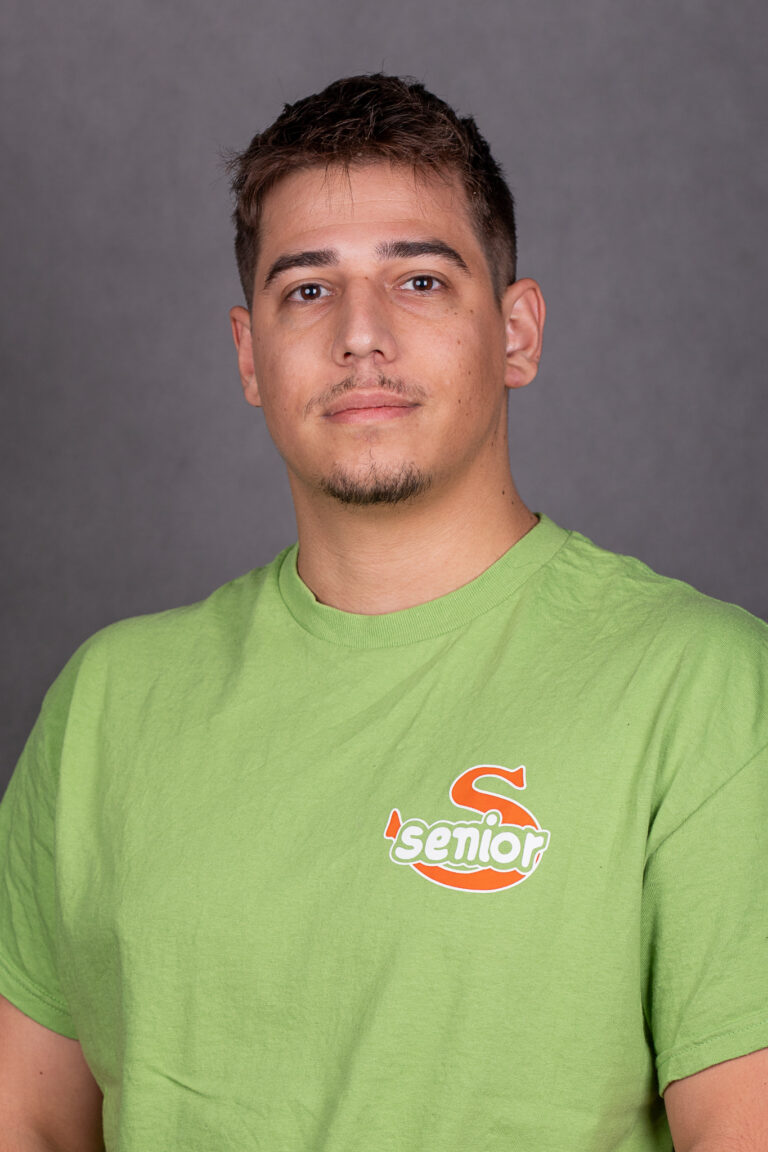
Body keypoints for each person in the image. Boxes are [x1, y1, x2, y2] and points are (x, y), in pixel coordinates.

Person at [0, 73, 766, 1152]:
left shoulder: (705, 690)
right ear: (249, 355)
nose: (361, 334)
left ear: (516, 333)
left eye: (419, 280)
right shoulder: (106, 706)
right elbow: (27, 1119)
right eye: (308, 290)